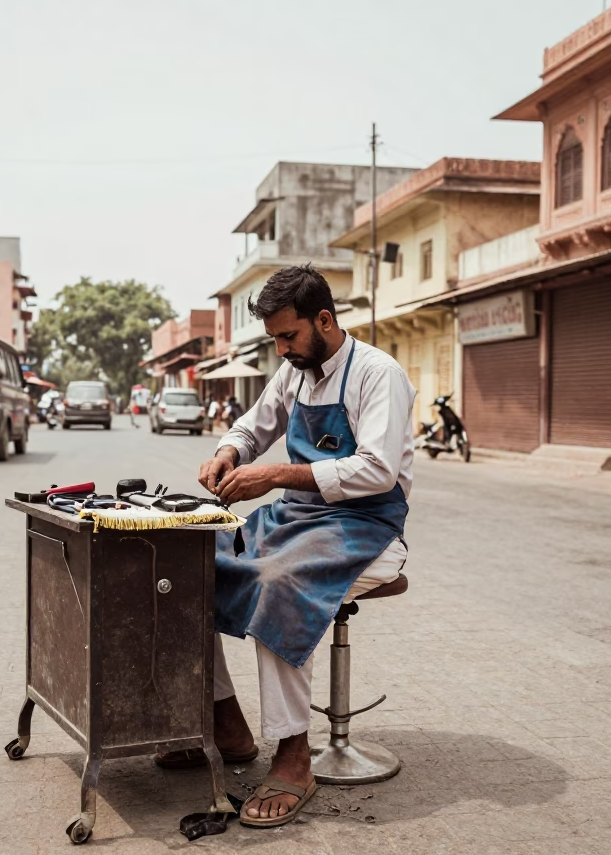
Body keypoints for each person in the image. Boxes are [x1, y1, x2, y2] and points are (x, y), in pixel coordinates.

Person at [157, 265, 414, 828]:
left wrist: (274, 475)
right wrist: (229, 452)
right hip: (296, 518)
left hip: (365, 528)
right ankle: (227, 725)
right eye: (273, 338)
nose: (281, 349)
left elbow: (375, 472)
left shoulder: (378, 375)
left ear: (324, 319)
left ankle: (294, 757)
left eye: (289, 336)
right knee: (187, 563)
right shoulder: (294, 371)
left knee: (279, 582)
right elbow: (252, 426)